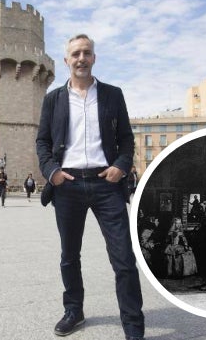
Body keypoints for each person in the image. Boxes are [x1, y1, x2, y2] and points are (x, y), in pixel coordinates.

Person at [36, 34, 145, 340]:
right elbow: (42, 141)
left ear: (94, 57)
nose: (81, 58)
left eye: (86, 53)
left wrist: (121, 166)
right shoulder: (53, 99)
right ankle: (74, 310)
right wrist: (52, 172)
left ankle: (134, 328)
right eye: (75, 54)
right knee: (69, 255)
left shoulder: (112, 95)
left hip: (105, 183)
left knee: (124, 258)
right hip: (67, 184)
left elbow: (126, 138)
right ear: (67, 60)